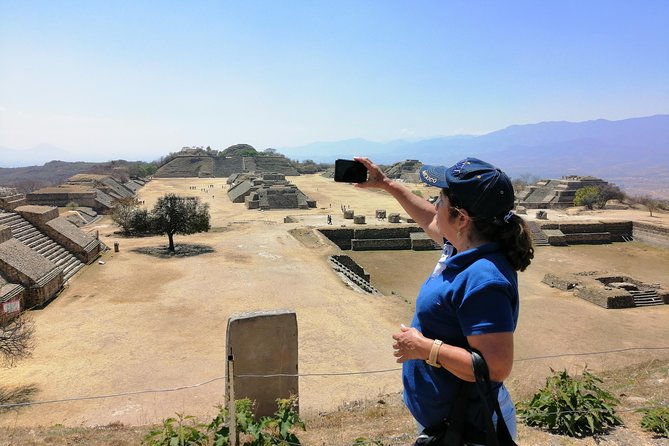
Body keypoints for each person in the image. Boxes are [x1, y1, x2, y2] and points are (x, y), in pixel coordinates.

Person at [354, 156, 534, 444]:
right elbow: (429, 218)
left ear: (462, 219)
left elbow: (496, 367)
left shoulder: (484, 279)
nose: (435, 205)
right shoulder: (464, 246)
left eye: (441, 199)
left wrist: (426, 348)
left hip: (470, 429)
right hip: (448, 422)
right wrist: (386, 184)